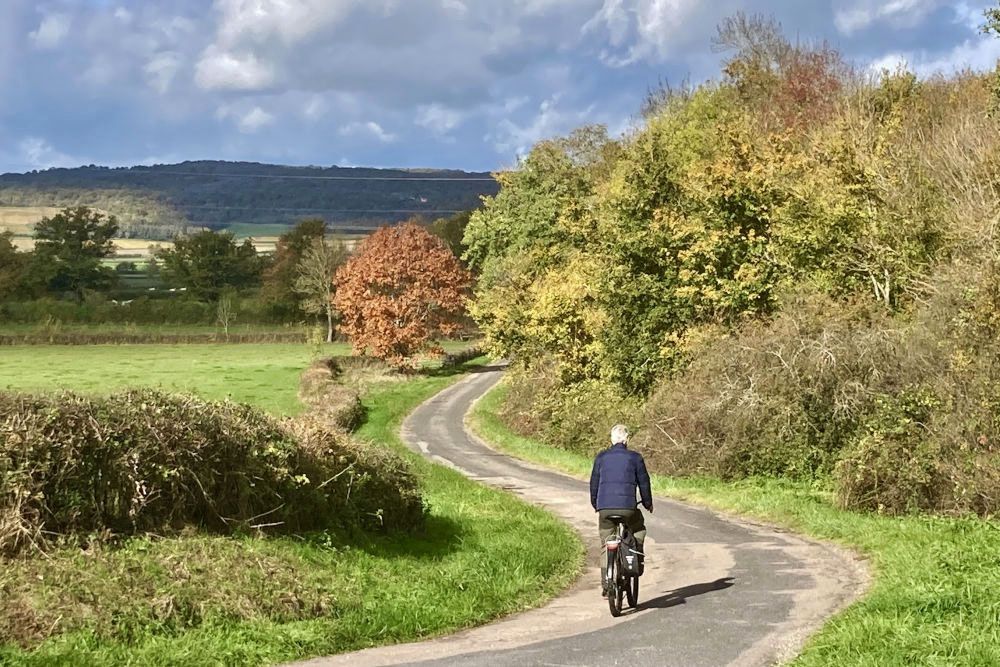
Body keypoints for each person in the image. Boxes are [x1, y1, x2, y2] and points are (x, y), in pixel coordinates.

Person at [589, 424, 653, 595]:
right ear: (627, 440)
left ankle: (606, 582)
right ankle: (636, 555)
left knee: (606, 540)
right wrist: (647, 503)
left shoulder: (601, 457)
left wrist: (596, 504)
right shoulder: (635, 458)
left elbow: (594, 483)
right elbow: (644, 483)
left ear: (611, 440)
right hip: (628, 509)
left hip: (605, 508)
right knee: (638, 527)